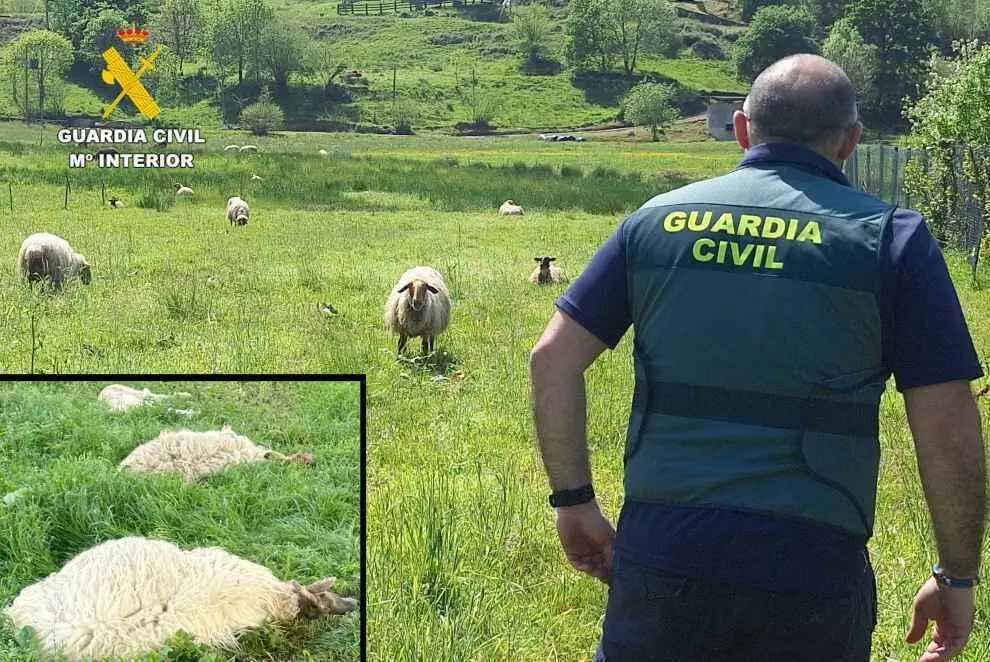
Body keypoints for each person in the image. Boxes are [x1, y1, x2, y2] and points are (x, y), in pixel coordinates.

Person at [528, 53, 986, 662]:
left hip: (665, 548)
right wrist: (956, 576)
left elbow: (551, 359)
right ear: (850, 142)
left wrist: (575, 502)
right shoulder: (891, 239)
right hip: (813, 561)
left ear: (743, 129)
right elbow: (948, 422)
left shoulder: (654, 221)